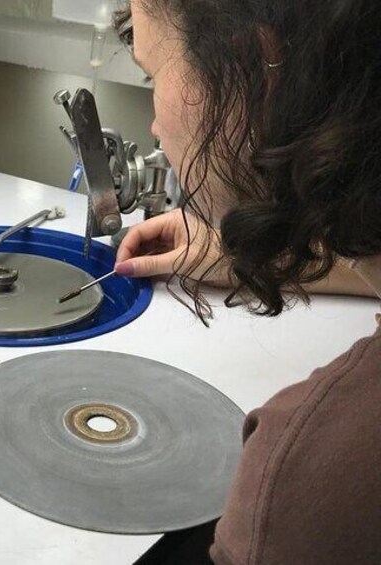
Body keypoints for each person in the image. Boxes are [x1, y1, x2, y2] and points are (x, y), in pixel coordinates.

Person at [113, 0, 381, 563]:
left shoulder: (309, 480)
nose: (154, 125)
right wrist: (271, 245)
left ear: (258, 68)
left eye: (153, 74)